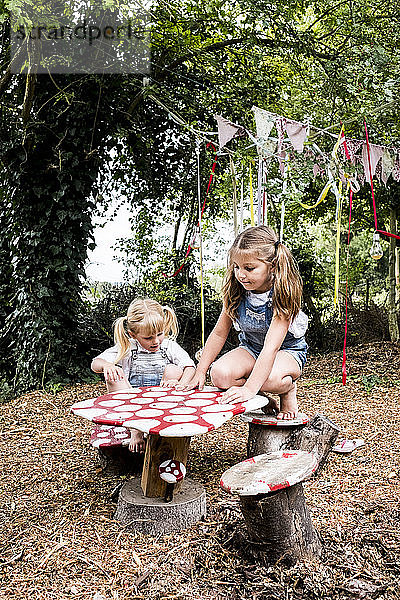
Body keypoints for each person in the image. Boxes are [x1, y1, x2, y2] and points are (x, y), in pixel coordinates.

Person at [179, 226, 308, 419]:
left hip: (286, 351)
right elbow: (219, 333)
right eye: (236, 267)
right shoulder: (237, 292)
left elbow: (271, 348)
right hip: (251, 348)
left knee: (270, 379)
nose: (241, 274)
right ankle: (262, 397)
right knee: (219, 374)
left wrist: (248, 389)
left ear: (272, 266)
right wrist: (201, 370)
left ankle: (287, 390)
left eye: (249, 268)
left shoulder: (281, 295)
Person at [91, 298, 196, 452]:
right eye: (148, 338)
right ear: (132, 334)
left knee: (174, 369)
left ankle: (165, 423)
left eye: (159, 334)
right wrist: (107, 365)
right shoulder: (127, 347)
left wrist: (181, 383)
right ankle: (135, 430)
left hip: (163, 403)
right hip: (131, 406)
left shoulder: (168, 346)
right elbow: (95, 363)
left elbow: (189, 366)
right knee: (114, 376)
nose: (155, 341)